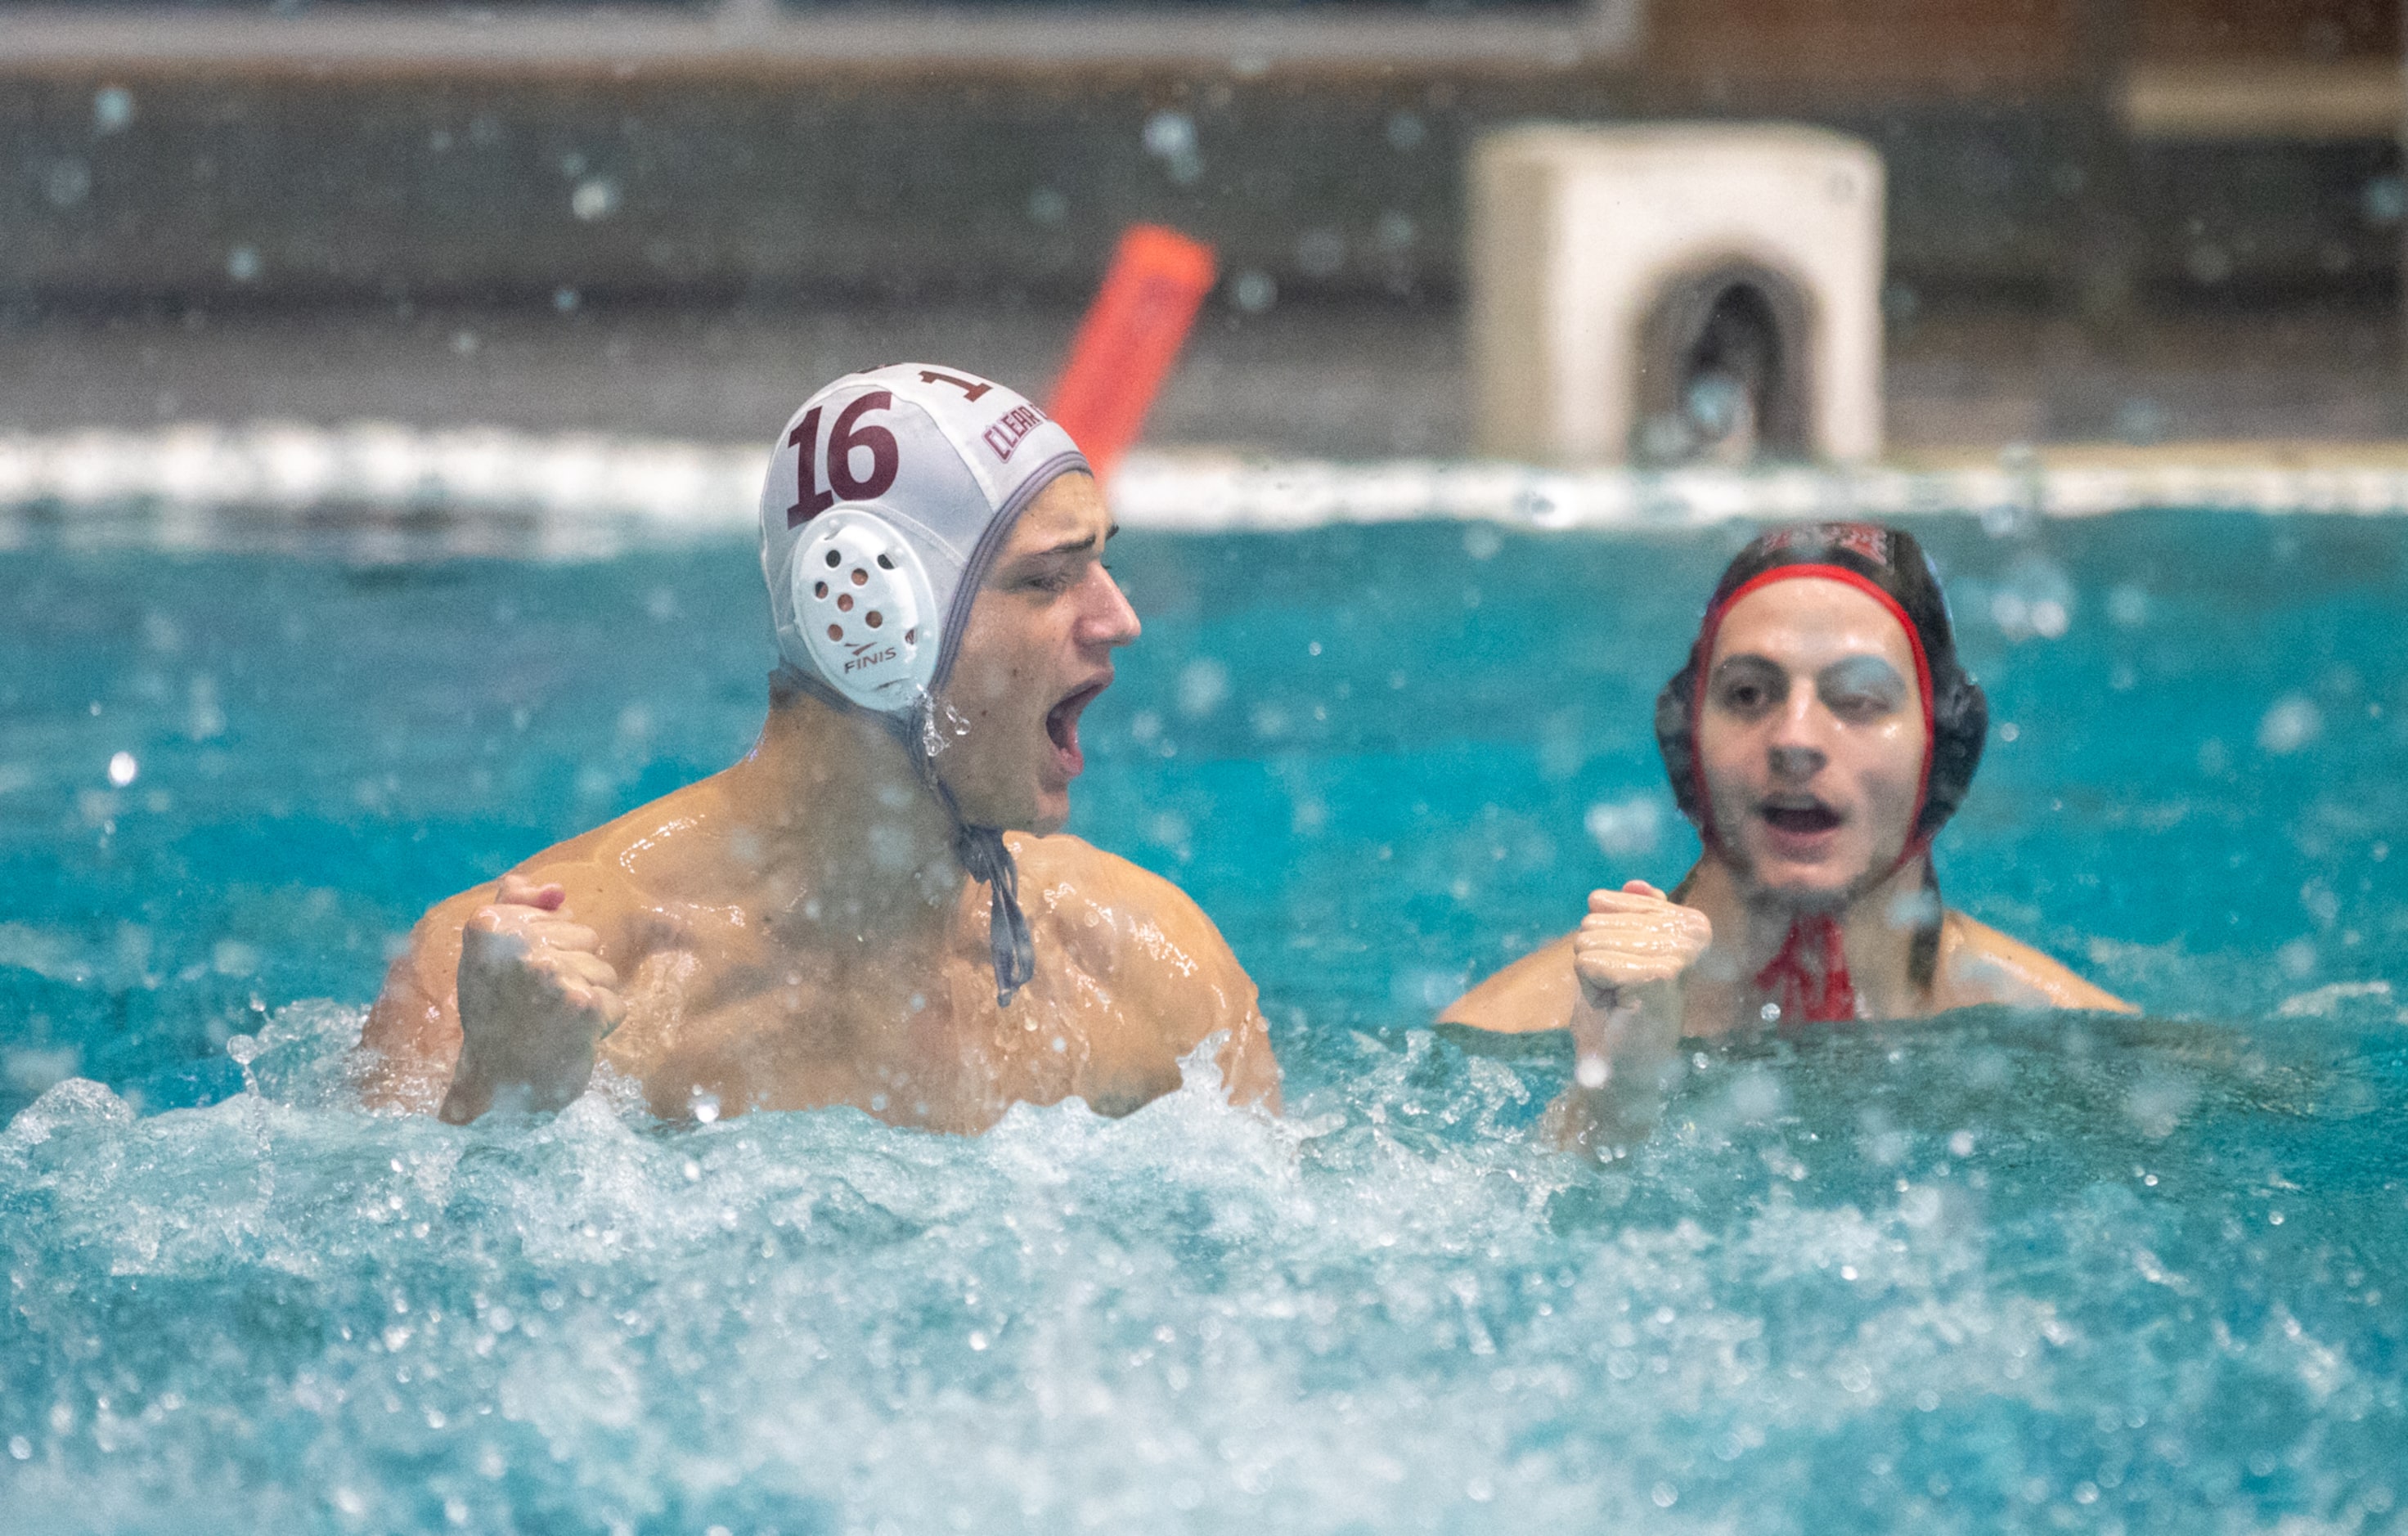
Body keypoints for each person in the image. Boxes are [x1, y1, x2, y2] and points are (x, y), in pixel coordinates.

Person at [359, 364, 1279, 1130]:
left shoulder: (1152, 970)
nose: (1120, 619)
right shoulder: (526, 984)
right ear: (870, 621)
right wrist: (504, 1104)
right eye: (1046, 579)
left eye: (1101, 566)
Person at [1440, 521, 2129, 1149]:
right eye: (1747, 695)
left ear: (1942, 748)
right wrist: (1611, 1106)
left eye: (1858, 699)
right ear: (1688, 743)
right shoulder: (1500, 1032)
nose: (1795, 740)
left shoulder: (2076, 1043)